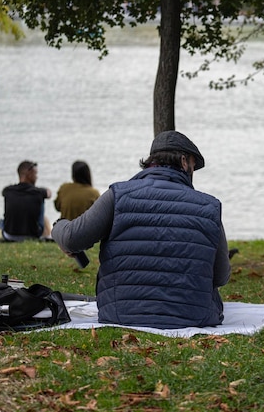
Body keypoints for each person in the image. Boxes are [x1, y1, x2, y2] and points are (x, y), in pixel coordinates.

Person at [52, 130, 231, 329]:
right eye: (193, 166)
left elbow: (71, 239)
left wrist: (59, 226)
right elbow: (221, 276)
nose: (193, 173)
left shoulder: (118, 196)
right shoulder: (210, 207)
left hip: (121, 315)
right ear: (183, 161)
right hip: (193, 317)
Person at [2, 160, 52, 241]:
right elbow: (49, 194)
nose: (36, 177)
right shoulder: (38, 192)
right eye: (35, 174)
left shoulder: (7, 191)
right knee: (41, 204)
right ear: (29, 174)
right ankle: (47, 234)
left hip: (9, 235)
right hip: (32, 236)